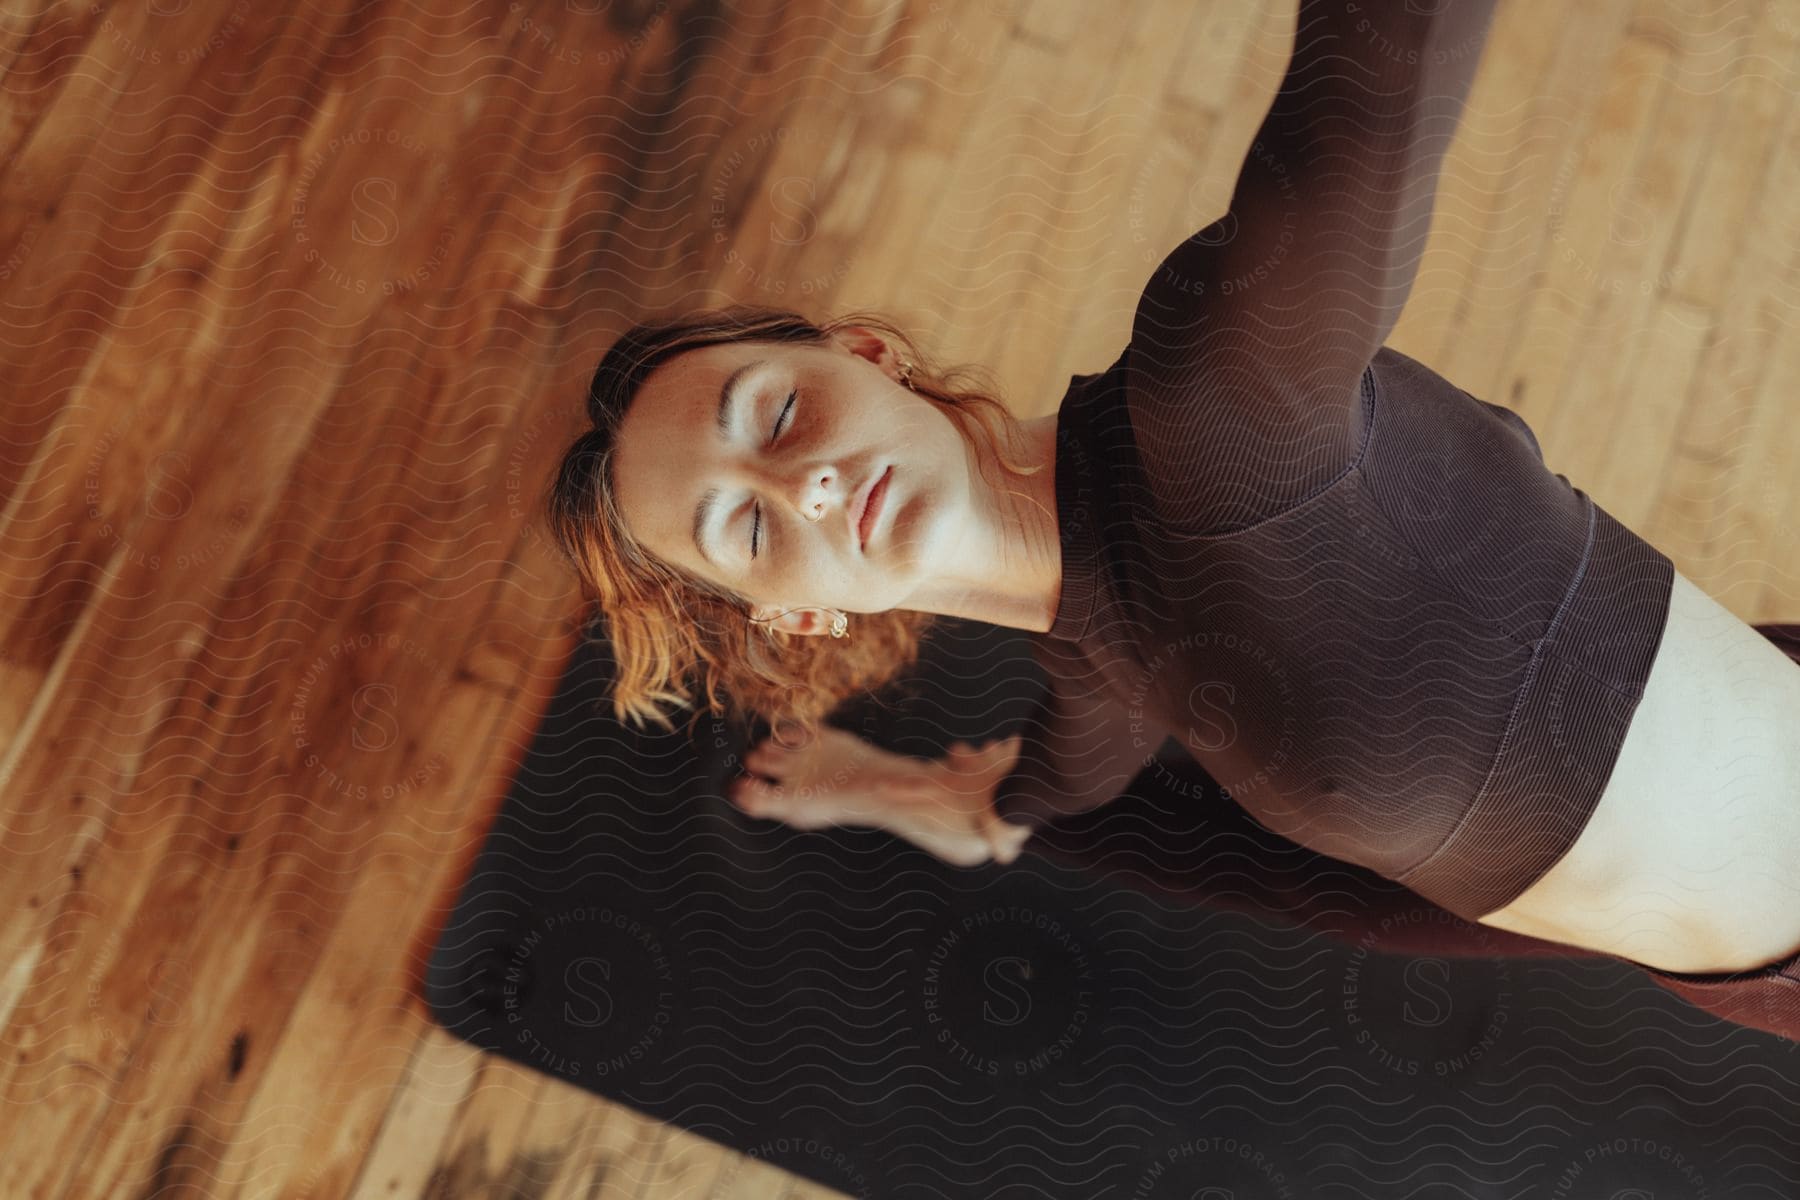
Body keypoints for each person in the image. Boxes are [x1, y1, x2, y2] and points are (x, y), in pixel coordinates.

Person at [545, 0, 1800, 1042]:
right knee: (1086, 798)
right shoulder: (1087, 646)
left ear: (865, 353)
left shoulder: (1220, 401)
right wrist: (1004, 800)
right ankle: (963, 811)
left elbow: (1391, 64)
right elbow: (1084, 746)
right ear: (799, 612)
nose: (802, 485)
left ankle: (966, 812)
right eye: (747, 530)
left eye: (772, 416)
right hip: (1678, 907)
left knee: (1199, 818)